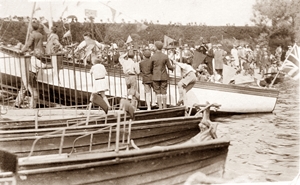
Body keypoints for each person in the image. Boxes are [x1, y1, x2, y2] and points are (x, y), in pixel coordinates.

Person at [14, 22, 51, 109]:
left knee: (26, 84)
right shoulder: (41, 35)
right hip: (39, 55)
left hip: (32, 56)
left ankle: (18, 103)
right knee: (32, 83)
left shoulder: (32, 34)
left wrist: (21, 51)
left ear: (32, 28)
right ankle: (29, 105)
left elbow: (28, 45)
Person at [151, 41, 175, 109]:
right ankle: (164, 106)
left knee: (157, 91)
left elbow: (150, 67)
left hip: (155, 76)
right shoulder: (165, 56)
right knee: (164, 91)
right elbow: (169, 66)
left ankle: (160, 106)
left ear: (156, 47)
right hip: (164, 75)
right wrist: (173, 67)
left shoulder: (153, 57)